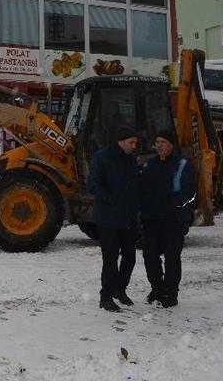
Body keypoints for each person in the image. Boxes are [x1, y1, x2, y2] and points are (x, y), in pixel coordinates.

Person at [138, 129, 196, 308]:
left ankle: (171, 292)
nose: (159, 145)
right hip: (151, 220)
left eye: (163, 141)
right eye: (157, 142)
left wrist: (175, 208)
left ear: (171, 144)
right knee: (150, 256)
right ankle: (157, 287)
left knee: (172, 258)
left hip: (173, 220)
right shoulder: (148, 165)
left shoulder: (183, 165)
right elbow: (140, 189)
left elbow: (190, 193)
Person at [86, 126, 140, 312]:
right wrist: (112, 199)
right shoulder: (102, 157)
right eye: (131, 142)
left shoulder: (131, 160)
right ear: (121, 141)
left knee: (130, 258)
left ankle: (119, 289)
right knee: (110, 259)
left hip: (127, 217)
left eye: (135, 143)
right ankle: (106, 297)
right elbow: (93, 184)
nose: (134, 146)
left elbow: (134, 186)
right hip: (108, 217)